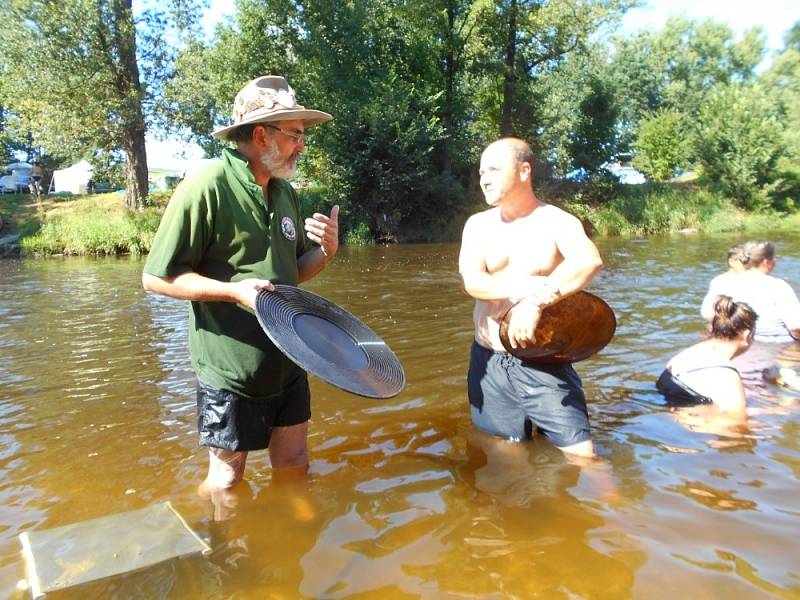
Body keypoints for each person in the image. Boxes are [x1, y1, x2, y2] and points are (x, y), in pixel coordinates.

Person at [141, 76, 339, 494]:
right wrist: (234, 292)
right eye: (295, 135)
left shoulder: (285, 192)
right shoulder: (207, 184)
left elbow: (289, 273)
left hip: (289, 358)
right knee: (227, 481)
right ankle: (220, 552)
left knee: (294, 464)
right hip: (231, 370)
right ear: (261, 134)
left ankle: (292, 546)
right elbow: (156, 278)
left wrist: (325, 252)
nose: (302, 146)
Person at [459, 138, 603, 458]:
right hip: (489, 356)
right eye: (482, 171)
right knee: (503, 453)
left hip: (543, 357)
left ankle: (605, 506)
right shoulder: (477, 226)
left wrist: (535, 302)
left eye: (494, 169)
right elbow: (473, 282)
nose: (484, 178)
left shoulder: (557, 222)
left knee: (582, 456)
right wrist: (523, 289)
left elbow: (589, 261)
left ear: (524, 171)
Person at [658, 295, 756, 415]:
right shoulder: (726, 374)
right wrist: (780, 409)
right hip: (690, 426)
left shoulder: (690, 352)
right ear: (747, 335)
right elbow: (736, 426)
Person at [701, 240, 800, 343]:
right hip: (775, 348)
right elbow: (796, 326)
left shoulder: (721, 281)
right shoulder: (779, 286)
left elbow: (707, 314)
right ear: (766, 261)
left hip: (734, 344)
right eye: (774, 258)